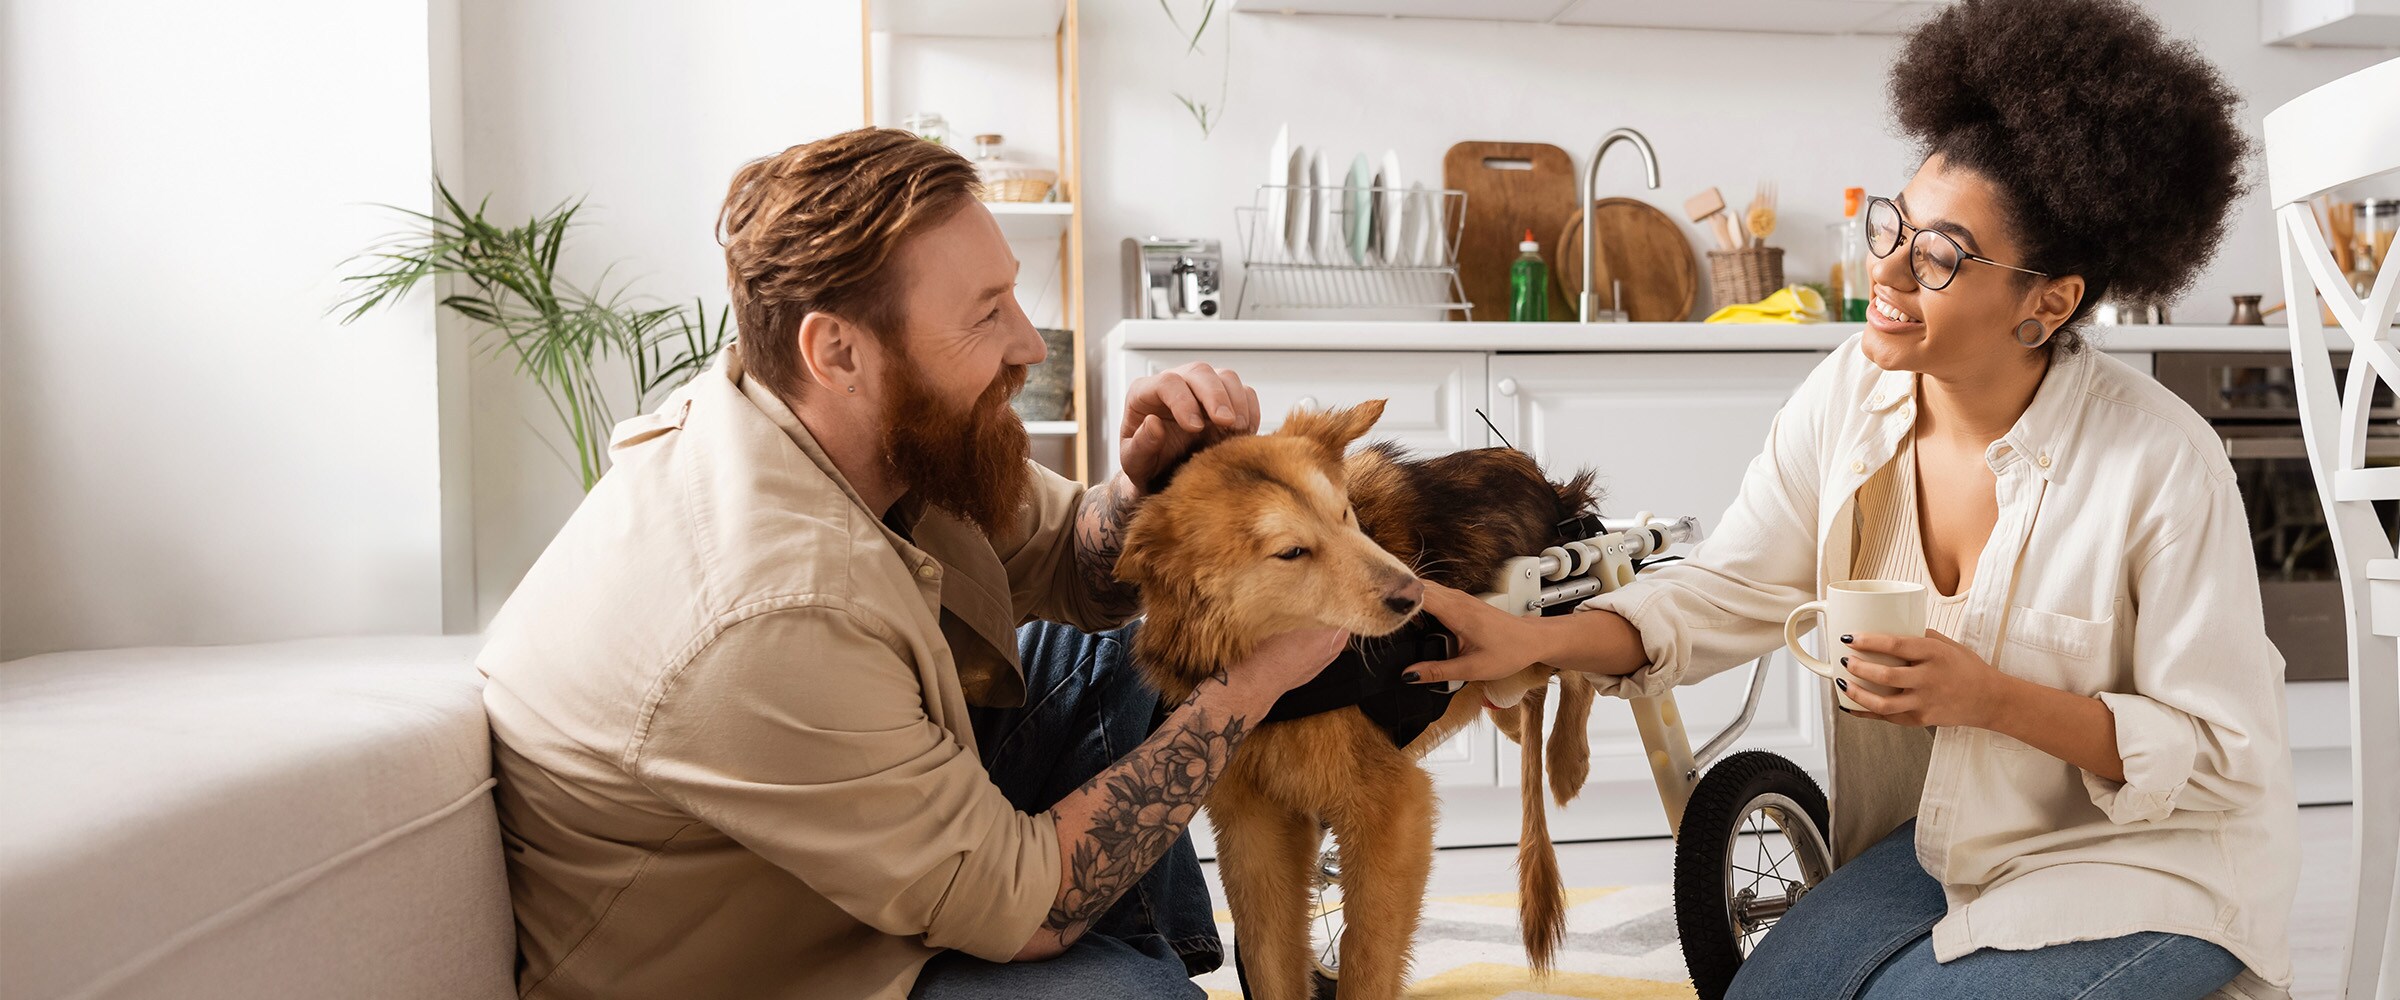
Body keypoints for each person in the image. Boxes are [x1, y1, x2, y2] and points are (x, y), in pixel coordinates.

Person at [1405, 1, 2298, 997]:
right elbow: (1722, 588)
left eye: (1939, 256)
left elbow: (2224, 756)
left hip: (2148, 868)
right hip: (1950, 845)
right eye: (1892, 226)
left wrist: (1990, 697)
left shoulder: (2163, 461)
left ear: (2046, 303)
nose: (1884, 269)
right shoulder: (1851, 393)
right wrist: (1540, 641)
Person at [477, 128, 1346, 1000]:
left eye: (1013, 297)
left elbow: (1077, 561)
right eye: (985, 314)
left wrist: (1154, 482)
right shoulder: (767, 608)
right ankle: (1135, 973)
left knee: (1146, 651)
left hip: (853, 864)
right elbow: (1034, 906)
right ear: (840, 352)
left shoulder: (862, 432)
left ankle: (1145, 957)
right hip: (786, 965)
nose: (1031, 347)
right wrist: (1250, 688)